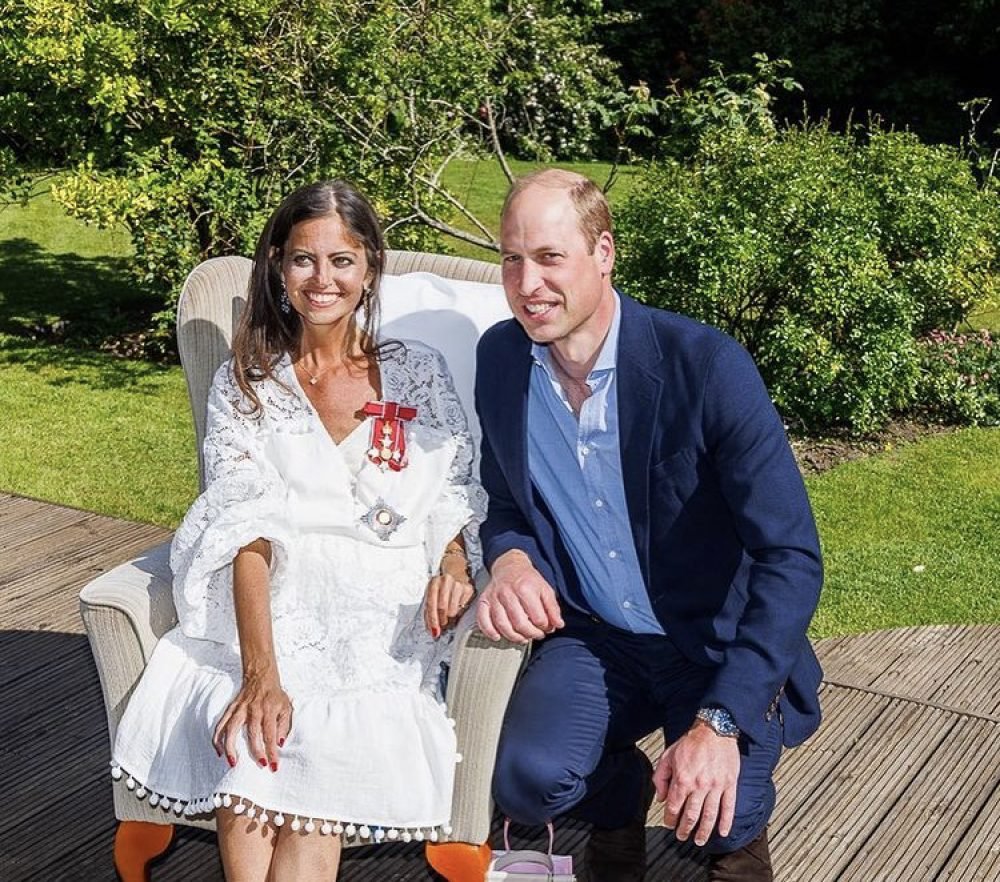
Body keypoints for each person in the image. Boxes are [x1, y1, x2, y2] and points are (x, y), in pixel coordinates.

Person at [111, 180, 486, 881]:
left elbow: (452, 489)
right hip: (274, 598)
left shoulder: (417, 373)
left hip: (382, 603)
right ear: (279, 267)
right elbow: (242, 530)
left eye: (342, 260)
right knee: (256, 734)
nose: (324, 280)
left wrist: (456, 563)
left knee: (314, 750)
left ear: (370, 267)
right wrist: (262, 673)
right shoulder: (247, 383)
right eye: (304, 260)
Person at [474, 169, 823, 882]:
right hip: (598, 637)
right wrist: (509, 559)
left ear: (603, 252)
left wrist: (720, 723)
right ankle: (621, 796)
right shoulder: (501, 359)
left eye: (549, 257)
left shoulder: (705, 366)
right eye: (512, 258)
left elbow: (790, 555)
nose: (526, 283)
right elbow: (505, 503)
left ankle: (738, 836)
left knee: (709, 817)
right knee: (526, 779)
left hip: (713, 645)